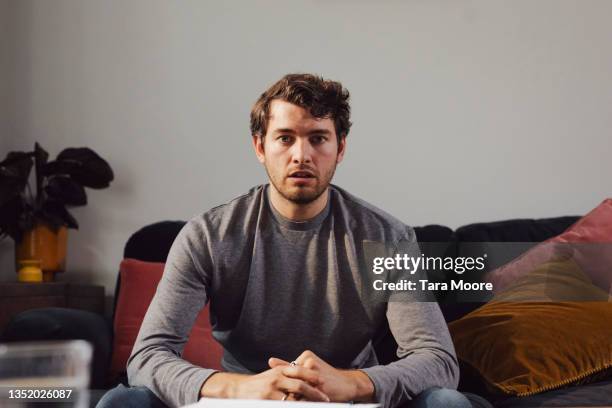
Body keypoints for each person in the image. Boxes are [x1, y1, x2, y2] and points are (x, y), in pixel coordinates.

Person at [97, 74, 488, 408]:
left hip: (348, 402)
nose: (302, 155)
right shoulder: (207, 236)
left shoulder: (388, 237)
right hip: (242, 402)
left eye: (318, 138)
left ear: (341, 149)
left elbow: (437, 359)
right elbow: (148, 355)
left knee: (447, 402)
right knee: (121, 401)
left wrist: (350, 383)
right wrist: (242, 387)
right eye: (285, 138)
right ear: (260, 147)